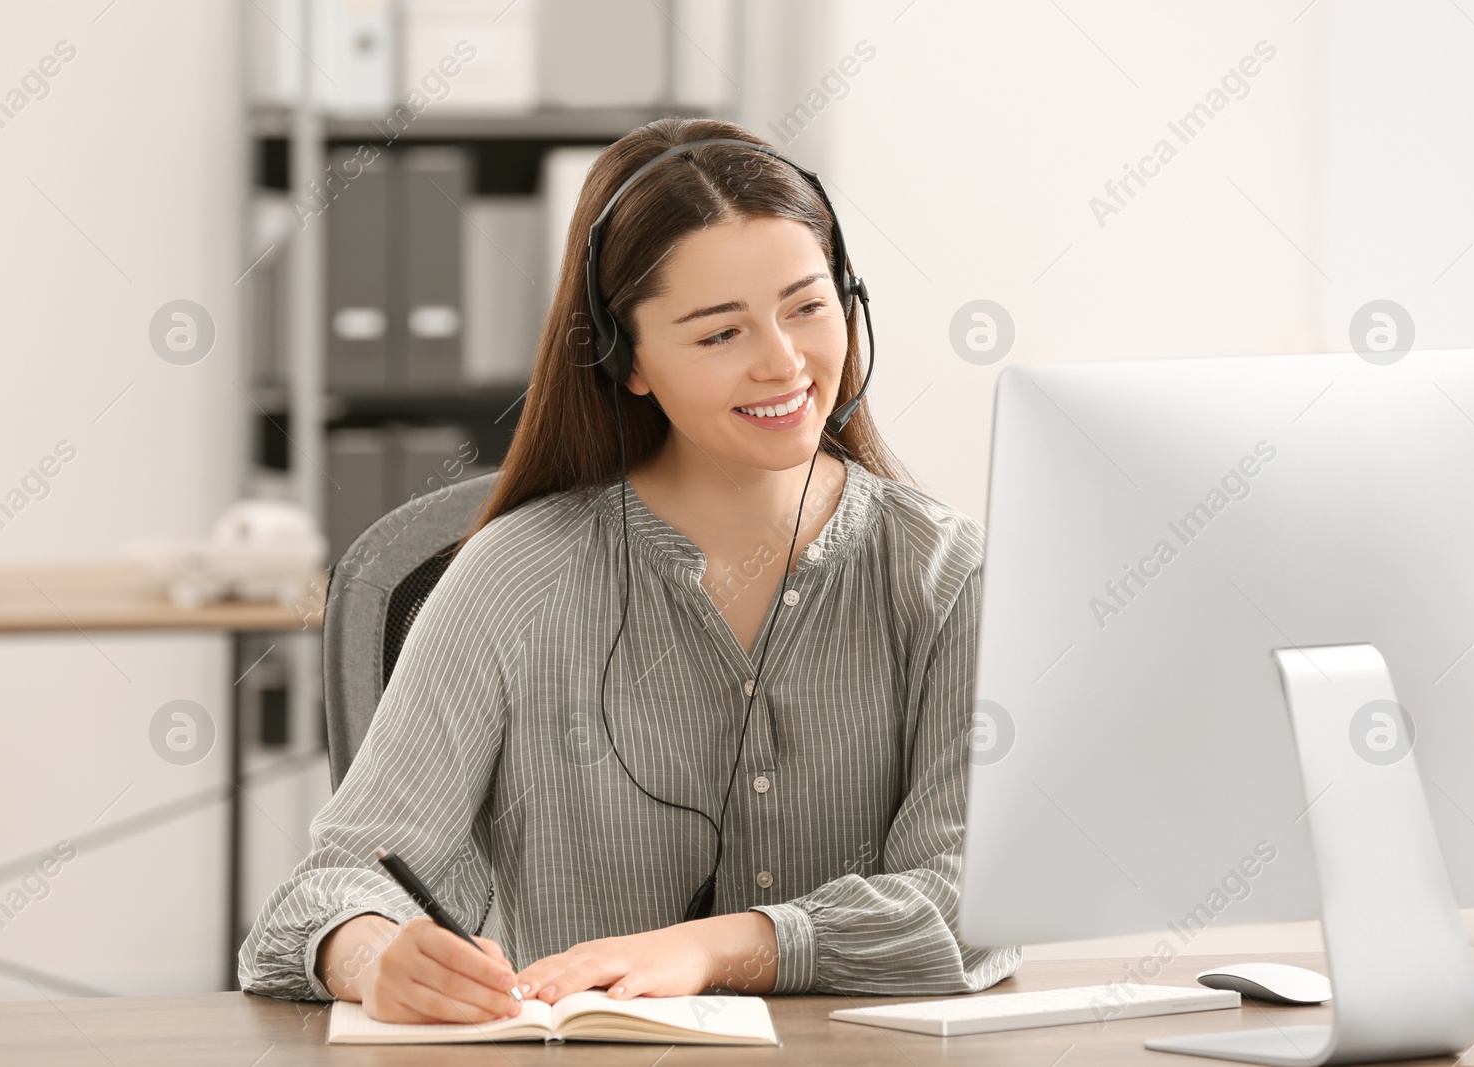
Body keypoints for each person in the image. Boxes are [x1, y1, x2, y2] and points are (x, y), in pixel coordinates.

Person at [238, 115, 1021, 1024]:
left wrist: (716, 946)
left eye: (809, 306)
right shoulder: (516, 576)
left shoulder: (943, 571)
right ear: (627, 359)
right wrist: (370, 954)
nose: (784, 362)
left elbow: (972, 907)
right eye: (719, 333)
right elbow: (322, 891)